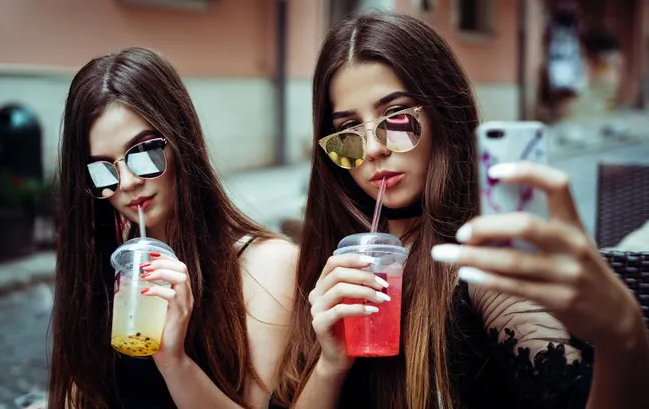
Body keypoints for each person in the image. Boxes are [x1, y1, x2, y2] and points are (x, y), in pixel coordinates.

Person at [273, 12, 649, 409]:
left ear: (442, 116)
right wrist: (331, 366)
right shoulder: (331, 258)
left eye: (397, 118)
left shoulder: (484, 272)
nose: (371, 150)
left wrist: (623, 334)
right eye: (348, 131)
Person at [49, 46, 297, 409]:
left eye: (144, 151)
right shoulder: (104, 269)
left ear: (181, 141)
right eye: (103, 168)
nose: (128, 182)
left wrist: (174, 362)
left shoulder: (265, 266)